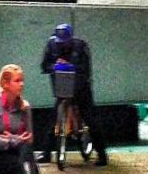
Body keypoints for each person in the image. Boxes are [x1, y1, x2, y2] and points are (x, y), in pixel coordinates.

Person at [38, 22, 107, 166]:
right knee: (54, 119)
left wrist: (71, 67)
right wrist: (55, 66)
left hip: (81, 88)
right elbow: (44, 66)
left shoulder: (80, 47)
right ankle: (46, 152)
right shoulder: (51, 46)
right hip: (63, 88)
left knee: (91, 119)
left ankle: (102, 154)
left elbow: (86, 70)